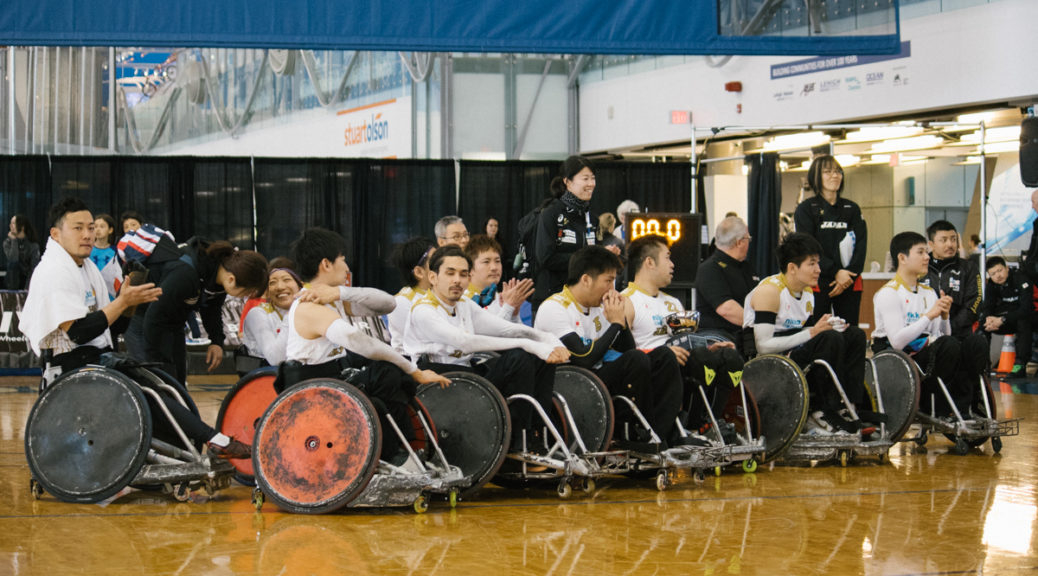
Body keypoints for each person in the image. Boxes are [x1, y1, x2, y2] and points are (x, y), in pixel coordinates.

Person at [21, 197, 250, 459]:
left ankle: (186, 451)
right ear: (56, 234)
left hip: (95, 357)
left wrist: (129, 305)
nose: (88, 235)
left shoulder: (87, 267)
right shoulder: (54, 271)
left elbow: (113, 328)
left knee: (163, 383)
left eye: (91, 227)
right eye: (78, 228)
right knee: (147, 390)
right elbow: (78, 332)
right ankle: (214, 439)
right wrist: (122, 302)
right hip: (69, 365)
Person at [283, 227, 449, 463]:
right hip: (311, 385)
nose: (347, 267)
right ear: (326, 264)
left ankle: (406, 449)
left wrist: (341, 292)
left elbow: (387, 303)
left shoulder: (329, 297)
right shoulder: (309, 305)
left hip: (334, 377)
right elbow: (362, 344)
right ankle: (392, 455)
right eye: (342, 260)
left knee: (391, 375)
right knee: (389, 376)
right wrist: (414, 371)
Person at [404, 245, 569, 448]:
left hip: (467, 377)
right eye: (450, 273)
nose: (457, 280)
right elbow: (465, 342)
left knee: (541, 360)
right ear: (433, 277)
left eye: (463, 274)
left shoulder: (464, 304)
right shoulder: (423, 310)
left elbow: (505, 329)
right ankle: (516, 445)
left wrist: (548, 340)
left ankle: (537, 435)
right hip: (436, 382)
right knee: (518, 357)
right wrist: (528, 344)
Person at [535, 246, 685, 447]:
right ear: (586, 279)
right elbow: (584, 358)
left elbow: (628, 351)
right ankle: (635, 433)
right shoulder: (554, 308)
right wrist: (615, 324)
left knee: (664, 357)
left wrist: (621, 322)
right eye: (608, 281)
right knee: (637, 361)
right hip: (571, 382)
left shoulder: (598, 308)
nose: (612, 289)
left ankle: (658, 434)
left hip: (597, 378)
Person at [743, 233, 874, 434]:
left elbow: (809, 333)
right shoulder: (769, 292)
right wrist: (814, 332)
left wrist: (829, 326)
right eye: (812, 264)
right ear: (792, 268)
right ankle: (820, 412)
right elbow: (763, 346)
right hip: (769, 361)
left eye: (818, 263)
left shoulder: (808, 292)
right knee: (828, 338)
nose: (818, 270)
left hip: (793, 348)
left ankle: (849, 406)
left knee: (854, 335)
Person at [621, 235, 742, 441]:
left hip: (685, 363)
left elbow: (689, 341)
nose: (672, 264)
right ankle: (691, 426)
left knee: (729, 357)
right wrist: (661, 353)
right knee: (699, 359)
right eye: (667, 258)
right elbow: (624, 354)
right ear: (649, 262)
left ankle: (709, 421)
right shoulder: (626, 300)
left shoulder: (673, 303)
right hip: (654, 369)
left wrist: (710, 346)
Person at [121, 226, 269, 384]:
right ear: (232, 279)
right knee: (155, 381)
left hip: (172, 322)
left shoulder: (218, 278)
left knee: (177, 381)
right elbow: (153, 318)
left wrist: (216, 342)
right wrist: (155, 364)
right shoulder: (185, 275)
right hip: (141, 317)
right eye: (246, 292)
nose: (245, 297)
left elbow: (212, 309)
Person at [872, 232, 976, 419]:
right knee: (948, 347)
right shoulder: (888, 293)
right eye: (920, 252)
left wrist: (944, 317)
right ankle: (935, 405)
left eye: (927, 252)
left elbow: (943, 335)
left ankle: (965, 407)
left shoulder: (929, 293)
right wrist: (928, 316)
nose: (927, 257)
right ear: (902, 258)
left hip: (927, 350)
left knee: (975, 343)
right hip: (898, 354)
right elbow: (897, 342)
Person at [793, 155, 867, 325]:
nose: (835, 176)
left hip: (850, 279)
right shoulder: (806, 209)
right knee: (819, 331)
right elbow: (807, 246)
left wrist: (847, 275)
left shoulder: (852, 209)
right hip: (818, 279)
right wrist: (836, 272)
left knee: (849, 330)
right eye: (828, 172)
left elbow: (861, 245)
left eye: (838, 172)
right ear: (816, 177)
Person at [532, 155, 600, 309]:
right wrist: (584, 258)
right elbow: (545, 258)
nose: (591, 184)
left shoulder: (592, 219)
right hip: (552, 299)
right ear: (567, 182)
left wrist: (604, 254)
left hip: (583, 299)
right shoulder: (551, 214)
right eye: (585, 178)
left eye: (593, 178)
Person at [695, 216, 757, 352]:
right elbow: (726, 309)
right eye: (748, 239)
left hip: (745, 332)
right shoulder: (710, 268)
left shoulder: (747, 268)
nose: (749, 242)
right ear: (739, 242)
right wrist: (761, 323)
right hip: (718, 334)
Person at [239, 257, 303, 366]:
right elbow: (276, 359)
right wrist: (292, 314)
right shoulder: (257, 314)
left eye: (286, 279)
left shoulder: (309, 310)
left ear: (300, 285)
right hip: (267, 377)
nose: (280, 287)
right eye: (272, 282)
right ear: (267, 292)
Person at [979, 257, 1033, 376]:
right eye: (993, 273)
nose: (998, 276)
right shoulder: (991, 285)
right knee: (982, 323)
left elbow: (1026, 309)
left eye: (1000, 270)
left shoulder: (1021, 279)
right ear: (989, 275)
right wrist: (988, 319)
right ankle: (983, 364)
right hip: (1006, 319)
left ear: (1007, 268)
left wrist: (1002, 319)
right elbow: (988, 306)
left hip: (1027, 318)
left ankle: (1020, 364)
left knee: (1023, 321)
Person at [464, 234, 533, 323]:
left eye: (497, 261)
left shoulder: (500, 298)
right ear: (469, 269)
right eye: (486, 262)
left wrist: (514, 315)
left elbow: (517, 335)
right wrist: (508, 308)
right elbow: (489, 334)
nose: (494, 267)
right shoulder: (462, 301)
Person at [387, 237, 436, 355]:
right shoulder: (401, 302)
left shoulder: (441, 293)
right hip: (414, 364)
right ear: (419, 272)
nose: (443, 263)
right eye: (435, 260)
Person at [89, 213, 121, 301]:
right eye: (95, 226)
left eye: (102, 226)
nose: (98, 230)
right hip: (90, 294)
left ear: (110, 230)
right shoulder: (87, 249)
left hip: (110, 295)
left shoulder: (116, 252)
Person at [4, 213, 40, 289]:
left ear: (22, 227)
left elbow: (34, 269)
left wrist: (27, 289)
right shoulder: (7, 243)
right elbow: (13, 259)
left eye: (13, 223)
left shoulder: (33, 245)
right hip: (12, 284)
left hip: (28, 284)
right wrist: (14, 240)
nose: (10, 225)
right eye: (10, 223)